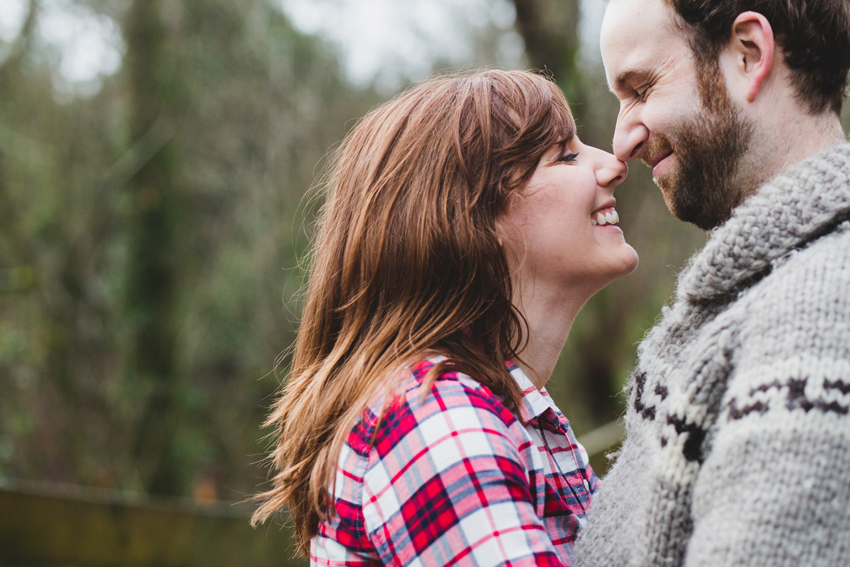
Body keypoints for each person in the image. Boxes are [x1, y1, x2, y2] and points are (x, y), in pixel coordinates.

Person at [251, 69, 638, 567]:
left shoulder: (514, 411)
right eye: (565, 154)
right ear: (472, 217)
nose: (614, 164)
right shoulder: (430, 414)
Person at [575, 1, 850, 566]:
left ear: (750, 54)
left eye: (641, 89)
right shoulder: (757, 292)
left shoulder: (822, 306)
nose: (620, 141)